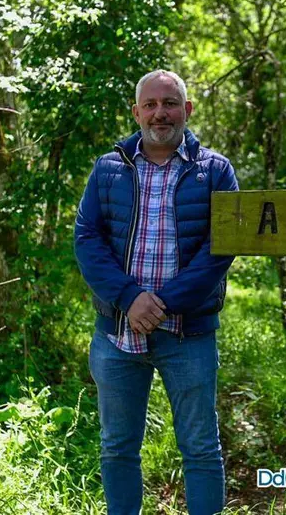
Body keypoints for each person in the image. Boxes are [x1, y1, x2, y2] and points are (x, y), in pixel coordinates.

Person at [74, 69, 238, 515]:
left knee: (201, 449)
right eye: (150, 104)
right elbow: (87, 237)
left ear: (187, 110)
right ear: (136, 112)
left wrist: (160, 304)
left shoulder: (215, 171)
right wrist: (130, 298)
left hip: (189, 335)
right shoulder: (109, 168)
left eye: (169, 103)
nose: (159, 113)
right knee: (117, 448)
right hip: (117, 337)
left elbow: (221, 248)